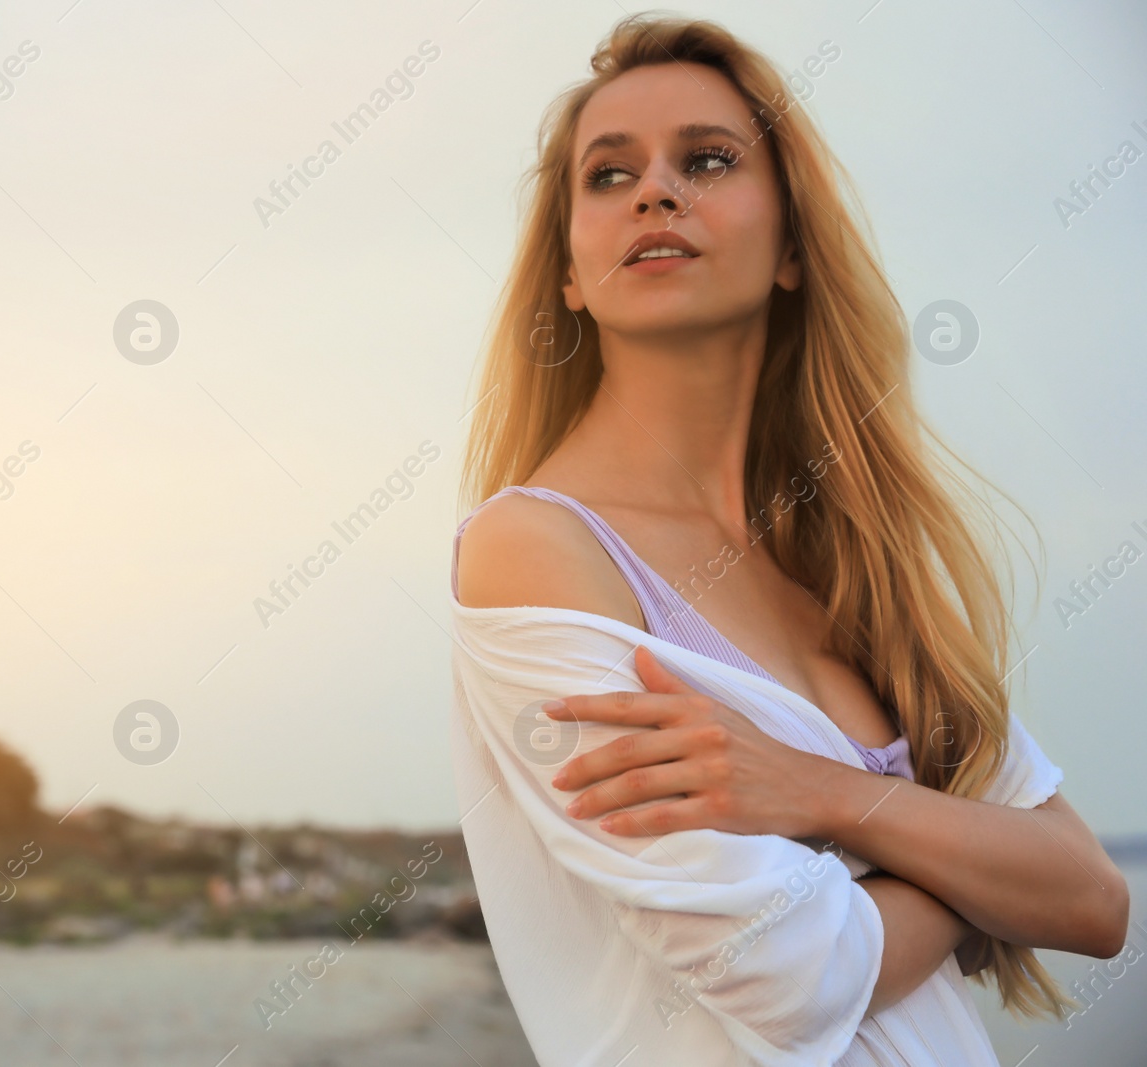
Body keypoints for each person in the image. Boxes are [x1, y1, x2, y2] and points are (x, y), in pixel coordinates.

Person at [449, 14, 1129, 1065]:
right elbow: (787, 974)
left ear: (794, 248)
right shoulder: (534, 550)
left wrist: (825, 794)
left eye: (708, 160)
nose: (653, 190)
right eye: (608, 173)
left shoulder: (858, 562)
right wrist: (966, 861)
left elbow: (1089, 896)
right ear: (571, 273)